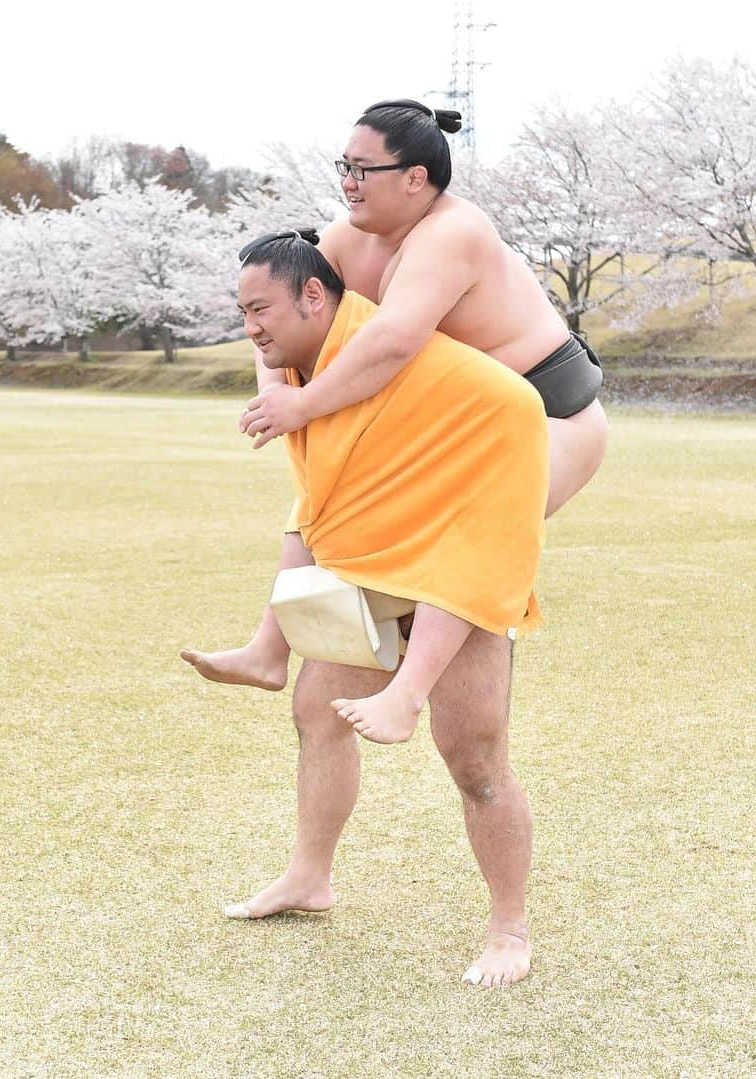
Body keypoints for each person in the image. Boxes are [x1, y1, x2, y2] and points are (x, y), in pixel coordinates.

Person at [185, 230, 549, 989]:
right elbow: (319, 485)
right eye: (242, 310)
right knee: (317, 709)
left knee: (475, 758)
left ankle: (509, 926)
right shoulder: (299, 364)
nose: (251, 326)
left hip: (455, 571)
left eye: (261, 309)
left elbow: (515, 411)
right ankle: (308, 877)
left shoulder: (391, 349)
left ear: (315, 296)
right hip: (366, 561)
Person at [183, 99, 608, 712]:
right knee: (324, 485)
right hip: (449, 424)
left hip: (550, 418)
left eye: (363, 169)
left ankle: (408, 692)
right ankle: (269, 648)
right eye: (343, 167)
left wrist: (301, 408)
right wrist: (276, 388)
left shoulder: (454, 232)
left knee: (474, 521)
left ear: (415, 177)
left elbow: (391, 342)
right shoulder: (342, 241)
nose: (348, 183)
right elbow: (283, 306)